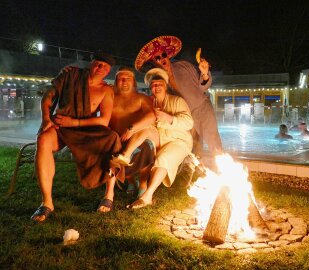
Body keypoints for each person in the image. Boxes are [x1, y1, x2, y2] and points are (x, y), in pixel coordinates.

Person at [31, 52, 122, 222]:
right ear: (91, 63)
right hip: (61, 126)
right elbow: (48, 96)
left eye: (105, 67)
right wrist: (45, 119)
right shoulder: (70, 75)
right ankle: (47, 202)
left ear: (109, 71)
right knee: (43, 139)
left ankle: (109, 194)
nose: (101, 68)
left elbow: (104, 120)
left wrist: (73, 122)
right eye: (98, 64)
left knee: (112, 139)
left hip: (84, 128)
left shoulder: (106, 90)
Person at [134, 35, 222, 158]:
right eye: (157, 58)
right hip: (183, 117)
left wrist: (205, 73)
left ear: (168, 56)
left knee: (214, 142)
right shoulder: (160, 80)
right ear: (154, 62)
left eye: (163, 55)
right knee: (192, 149)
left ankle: (223, 168)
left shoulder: (184, 66)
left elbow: (203, 87)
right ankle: (195, 173)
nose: (162, 59)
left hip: (202, 109)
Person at [127, 68, 193, 209]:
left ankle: (147, 196)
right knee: (142, 149)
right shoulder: (149, 102)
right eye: (153, 84)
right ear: (150, 87)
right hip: (158, 141)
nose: (156, 87)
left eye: (159, 84)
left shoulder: (177, 101)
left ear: (166, 86)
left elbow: (189, 122)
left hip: (178, 141)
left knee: (163, 159)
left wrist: (168, 118)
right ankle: (136, 182)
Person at [107, 66, 157, 208]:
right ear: (116, 81)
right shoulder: (110, 97)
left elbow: (151, 116)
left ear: (134, 82)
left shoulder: (142, 98)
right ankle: (130, 181)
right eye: (120, 78)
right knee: (116, 151)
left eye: (128, 78)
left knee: (147, 147)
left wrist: (131, 129)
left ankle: (142, 183)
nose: (124, 81)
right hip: (116, 137)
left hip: (138, 138)